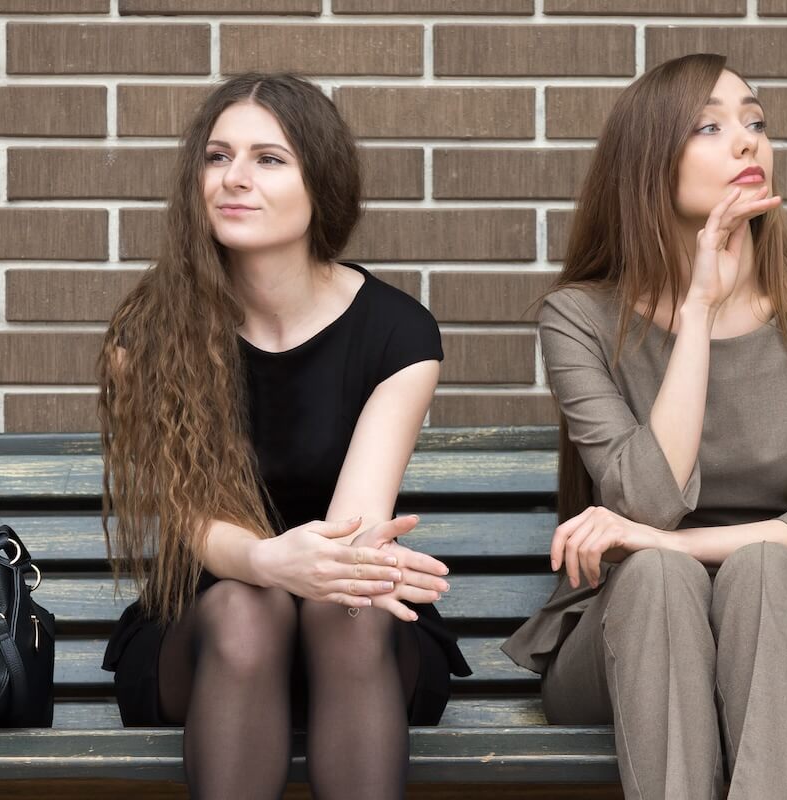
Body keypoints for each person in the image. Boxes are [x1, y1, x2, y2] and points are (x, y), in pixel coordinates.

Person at [501, 53, 787, 800]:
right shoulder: (579, 318)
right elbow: (646, 503)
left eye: (755, 121)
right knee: (656, 576)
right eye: (709, 127)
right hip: (628, 634)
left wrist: (674, 544)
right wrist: (699, 311)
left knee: (762, 569)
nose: (747, 140)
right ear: (648, 160)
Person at [97, 72, 470, 800]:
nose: (233, 178)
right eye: (217, 157)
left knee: (346, 609)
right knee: (248, 607)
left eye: (268, 159)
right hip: (207, 634)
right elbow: (193, 525)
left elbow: (352, 536)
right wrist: (268, 561)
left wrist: (344, 565)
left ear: (320, 183)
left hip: (352, 634)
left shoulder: (397, 334)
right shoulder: (146, 335)